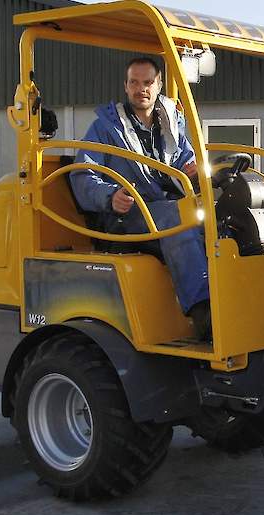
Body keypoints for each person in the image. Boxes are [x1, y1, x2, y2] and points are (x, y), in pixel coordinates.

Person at [70, 57, 211, 339]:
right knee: (177, 218)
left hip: (162, 210)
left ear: (158, 85)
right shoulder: (106, 129)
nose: (141, 89)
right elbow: (83, 175)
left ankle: (252, 297)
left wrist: (195, 174)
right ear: (126, 86)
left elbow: (186, 162)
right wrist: (110, 197)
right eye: (134, 82)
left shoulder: (169, 129)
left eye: (147, 82)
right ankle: (204, 312)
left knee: (224, 216)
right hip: (126, 216)